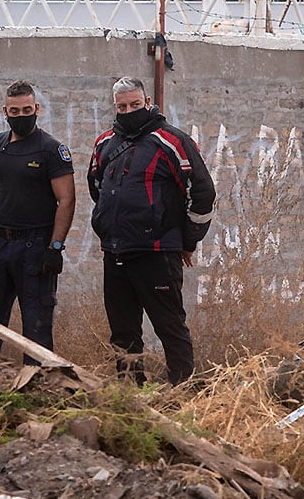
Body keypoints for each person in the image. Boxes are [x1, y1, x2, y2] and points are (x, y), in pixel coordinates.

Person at [87, 77, 216, 386]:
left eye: (135, 104)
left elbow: (202, 192)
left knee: (169, 327)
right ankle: (131, 397)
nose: (129, 110)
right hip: (115, 252)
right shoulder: (105, 142)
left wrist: (188, 240)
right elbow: (97, 186)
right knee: (122, 333)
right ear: (114, 107)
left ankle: (182, 394)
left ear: (147, 102)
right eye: (122, 106)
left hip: (158, 252)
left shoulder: (172, 140)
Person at [0, 80, 75, 363]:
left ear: (36, 109)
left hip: (36, 248)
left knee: (36, 329)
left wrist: (55, 247)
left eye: (26, 110)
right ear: (5, 111)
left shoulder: (51, 149)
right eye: (15, 111)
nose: (21, 116)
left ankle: (36, 391)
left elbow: (67, 200)